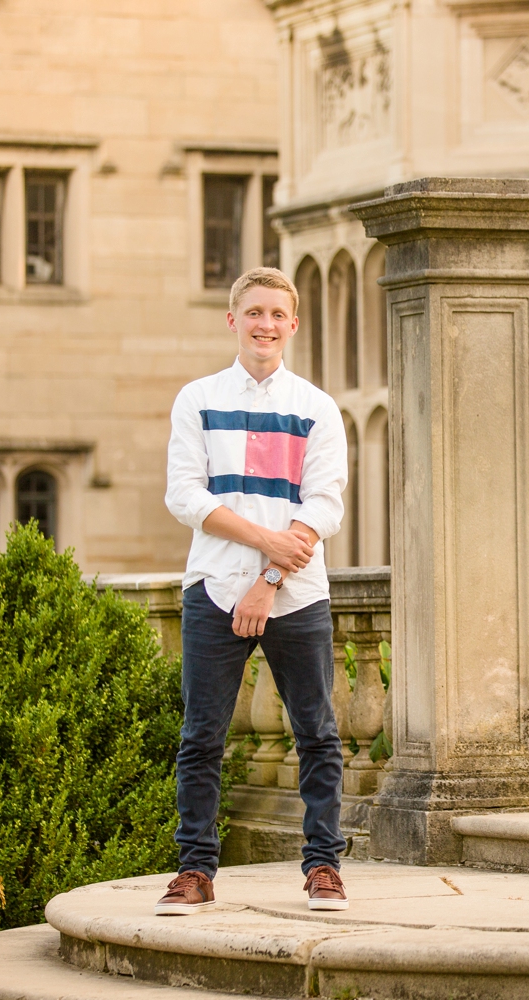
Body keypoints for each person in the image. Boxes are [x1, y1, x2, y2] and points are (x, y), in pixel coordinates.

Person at [156, 266, 350, 915]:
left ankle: (323, 865)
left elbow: (324, 505)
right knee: (201, 737)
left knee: (317, 733)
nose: (265, 324)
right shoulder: (198, 399)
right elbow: (184, 495)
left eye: (277, 314)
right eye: (254, 312)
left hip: (295, 594)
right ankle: (194, 871)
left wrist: (269, 577)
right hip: (213, 588)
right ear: (232, 320)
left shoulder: (317, 408)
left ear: (292, 325)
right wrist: (266, 544)